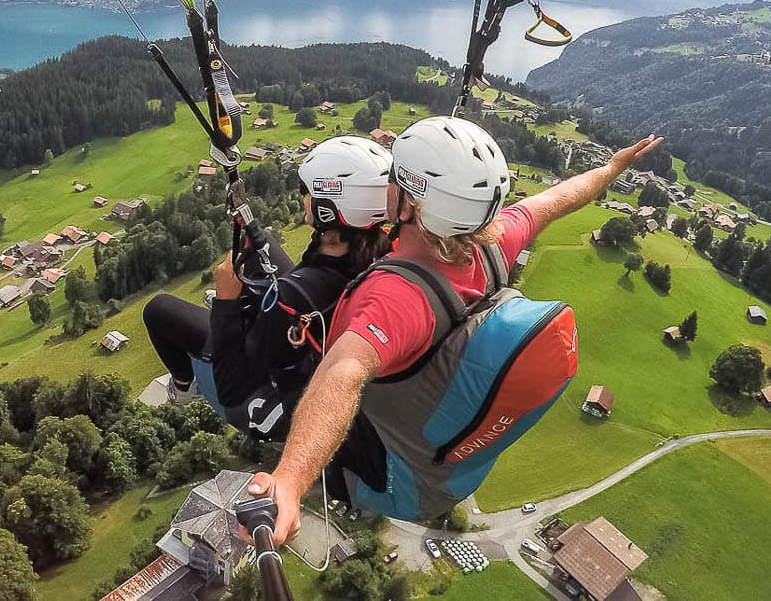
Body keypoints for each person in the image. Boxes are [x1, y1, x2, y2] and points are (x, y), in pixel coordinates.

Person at [241, 115, 664, 540]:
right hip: (439, 455)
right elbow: (558, 199)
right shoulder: (495, 245)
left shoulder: (395, 299)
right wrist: (611, 168)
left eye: (393, 178)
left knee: (252, 374)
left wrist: (291, 480)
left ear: (410, 207)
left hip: (387, 472)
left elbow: (342, 374)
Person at [142, 136, 393, 437]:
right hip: (314, 331)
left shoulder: (290, 299)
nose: (302, 197)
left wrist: (226, 303)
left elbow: (232, 389)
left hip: (263, 403)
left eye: (306, 191)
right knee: (262, 242)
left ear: (327, 210)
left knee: (158, 310)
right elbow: (312, 280)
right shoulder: (381, 250)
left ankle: (183, 385)